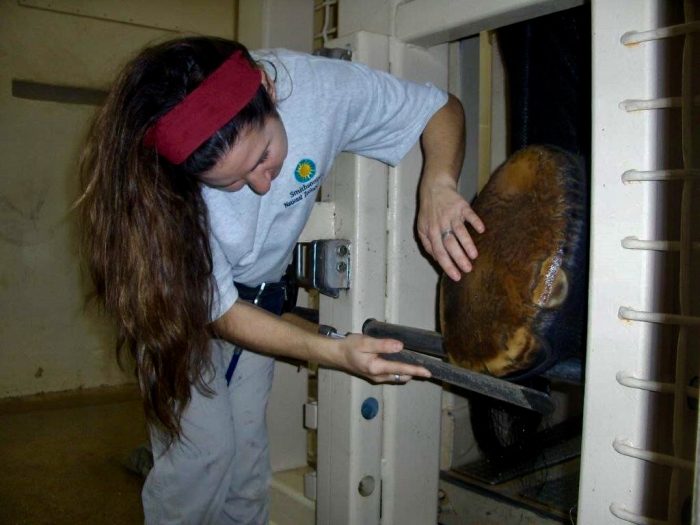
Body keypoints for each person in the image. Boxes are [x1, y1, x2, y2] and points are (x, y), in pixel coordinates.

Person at [78, 36, 484, 524]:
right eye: (229, 183)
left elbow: (440, 109)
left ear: (267, 89)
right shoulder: (156, 189)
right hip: (182, 307)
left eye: (264, 155)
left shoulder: (320, 90)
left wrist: (438, 183)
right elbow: (223, 313)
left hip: (260, 299)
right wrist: (336, 352)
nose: (262, 185)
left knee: (247, 464)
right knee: (201, 460)